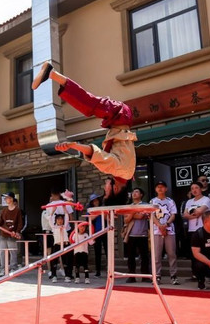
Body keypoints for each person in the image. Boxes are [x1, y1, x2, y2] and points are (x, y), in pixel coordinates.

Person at [33, 63, 136, 199]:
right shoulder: (118, 170)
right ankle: (52, 73)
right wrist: (73, 145)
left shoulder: (128, 173)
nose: (104, 188)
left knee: (89, 105)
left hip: (121, 117)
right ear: (115, 189)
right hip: (119, 116)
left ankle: (53, 74)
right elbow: (94, 152)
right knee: (88, 105)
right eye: (106, 192)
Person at [150, 181, 179, 285]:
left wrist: (166, 224)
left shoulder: (170, 201)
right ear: (155, 189)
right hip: (156, 230)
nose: (160, 189)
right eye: (158, 187)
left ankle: (173, 276)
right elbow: (151, 215)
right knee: (157, 255)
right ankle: (157, 275)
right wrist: (159, 225)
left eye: (162, 187)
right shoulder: (153, 201)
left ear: (166, 189)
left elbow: (173, 215)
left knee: (171, 253)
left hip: (169, 230)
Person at [123, 188, 150, 283]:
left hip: (143, 234)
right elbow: (126, 220)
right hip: (131, 234)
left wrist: (131, 214)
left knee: (144, 256)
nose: (134, 193)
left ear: (141, 194)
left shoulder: (145, 205)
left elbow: (141, 216)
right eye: (133, 192)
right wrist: (134, 212)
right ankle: (131, 276)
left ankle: (145, 276)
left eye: (137, 192)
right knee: (130, 257)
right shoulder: (128, 206)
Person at [0, 192, 23, 276]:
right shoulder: (4, 210)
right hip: (3, 234)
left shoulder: (17, 210)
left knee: (13, 252)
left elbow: (20, 223)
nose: (6, 199)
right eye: (5, 198)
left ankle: (13, 268)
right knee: (2, 252)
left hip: (12, 235)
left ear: (11, 199)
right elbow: (1, 222)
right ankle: (3, 268)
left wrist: (17, 232)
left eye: (7, 198)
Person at [87, 192, 107, 278]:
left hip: (105, 231)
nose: (95, 202)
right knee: (97, 252)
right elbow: (89, 219)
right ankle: (98, 271)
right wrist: (98, 212)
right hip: (96, 233)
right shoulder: (90, 210)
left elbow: (106, 217)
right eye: (93, 201)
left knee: (107, 251)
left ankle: (109, 269)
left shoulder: (103, 208)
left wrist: (101, 211)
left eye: (96, 200)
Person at [50, 214, 72, 283]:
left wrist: (64, 209)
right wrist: (53, 211)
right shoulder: (54, 227)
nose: (60, 221)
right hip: (57, 245)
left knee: (66, 261)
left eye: (61, 219)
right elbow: (50, 218)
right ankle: (54, 275)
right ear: (56, 220)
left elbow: (67, 217)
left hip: (65, 245)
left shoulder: (65, 227)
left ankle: (67, 276)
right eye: (58, 219)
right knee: (54, 261)